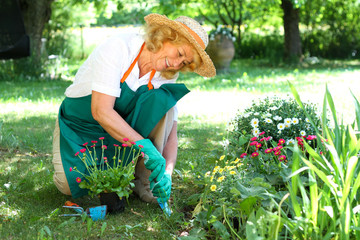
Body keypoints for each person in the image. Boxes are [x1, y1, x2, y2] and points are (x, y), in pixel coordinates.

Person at [52, 13, 216, 205]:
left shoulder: (167, 73)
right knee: (68, 186)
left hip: (121, 131)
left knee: (165, 102)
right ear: (165, 36)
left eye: (185, 62)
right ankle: (114, 170)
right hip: (81, 126)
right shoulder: (119, 48)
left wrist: (168, 174)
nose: (177, 64)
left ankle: (144, 180)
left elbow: (171, 131)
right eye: (180, 54)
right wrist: (145, 146)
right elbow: (101, 111)